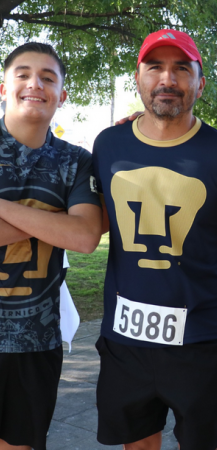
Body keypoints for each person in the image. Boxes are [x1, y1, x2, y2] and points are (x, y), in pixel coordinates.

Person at [92, 28, 217, 450]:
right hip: (124, 338)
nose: (168, 79)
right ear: (138, 78)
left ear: (200, 82)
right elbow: (95, 222)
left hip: (200, 339)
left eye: (182, 69)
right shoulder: (108, 144)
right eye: (155, 68)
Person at [0, 43, 102, 450]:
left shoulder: (75, 161)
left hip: (35, 338)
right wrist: (51, 219)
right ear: (3, 86)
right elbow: (69, 229)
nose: (34, 84)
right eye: (22, 74)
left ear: (63, 93)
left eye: (48, 77)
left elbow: (84, 237)